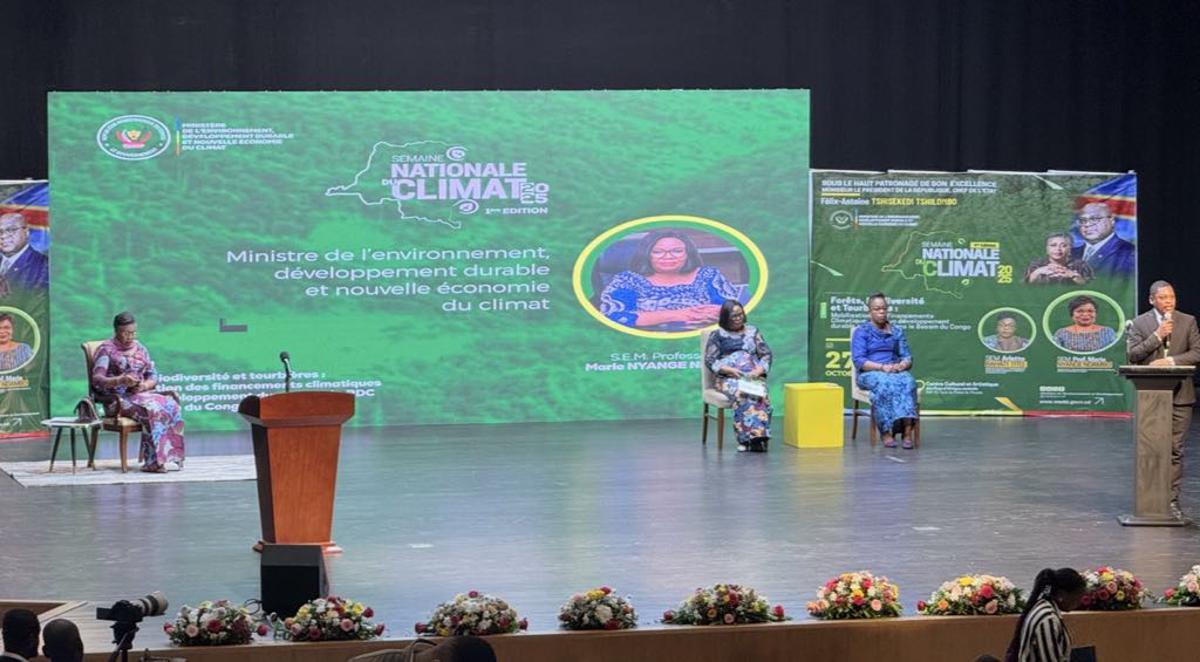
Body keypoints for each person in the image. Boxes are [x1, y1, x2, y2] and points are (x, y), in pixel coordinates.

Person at [1126, 280, 1200, 519]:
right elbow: (1133, 354)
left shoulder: (1187, 321)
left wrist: (1170, 361)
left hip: (1181, 395)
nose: (1169, 301)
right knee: (1151, 449)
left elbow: (1196, 352)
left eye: (1172, 297)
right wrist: (1157, 336)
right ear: (1151, 300)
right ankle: (1150, 502)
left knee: (1175, 449)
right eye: (1163, 298)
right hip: (1151, 397)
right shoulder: (1139, 323)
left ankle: (1171, 501)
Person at [91, 311, 185, 473]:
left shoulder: (140, 348)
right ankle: (153, 463)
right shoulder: (106, 350)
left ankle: (171, 456)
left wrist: (143, 385)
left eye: (134, 332)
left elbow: (153, 375)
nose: (131, 336)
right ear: (117, 331)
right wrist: (120, 380)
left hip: (140, 394)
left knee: (171, 405)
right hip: (117, 400)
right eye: (127, 333)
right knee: (152, 410)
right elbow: (97, 379)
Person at [600, 229, 740, 329]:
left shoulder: (709, 275)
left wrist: (718, 313)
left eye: (677, 251)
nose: (669, 256)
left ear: (688, 254)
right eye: (658, 252)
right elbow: (615, 316)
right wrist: (677, 315)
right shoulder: (627, 280)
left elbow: (734, 308)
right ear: (647, 254)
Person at [851, 293, 918, 449]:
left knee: (908, 381)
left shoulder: (896, 331)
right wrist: (881, 367)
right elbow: (859, 361)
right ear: (870, 311)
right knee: (884, 383)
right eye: (877, 309)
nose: (881, 312)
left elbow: (907, 356)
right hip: (869, 374)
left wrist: (902, 365)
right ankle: (886, 431)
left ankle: (907, 432)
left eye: (884, 308)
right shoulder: (862, 331)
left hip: (894, 371)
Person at [704, 299, 773, 452]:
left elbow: (766, 355)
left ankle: (757, 437)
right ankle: (746, 439)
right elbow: (710, 360)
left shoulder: (753, 331)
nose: (738, 318)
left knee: (759, 392)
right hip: (729, 378)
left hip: (751, 375)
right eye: (733, 316)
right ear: (725, 318)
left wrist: (758, 371)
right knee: (743, 392)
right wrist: (730, 370)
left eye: (740, 314)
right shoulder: (717, 335)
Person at [1004, 567, 1086, 662]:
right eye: (1077, 597)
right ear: (1061, 595)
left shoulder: (1044, 608)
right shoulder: (1047, 619)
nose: (1079, 602)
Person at [1070, 202, 1135, 277]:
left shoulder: (1130, 254)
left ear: (1112, 220)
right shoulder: (1070, 254)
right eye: (1083, 220)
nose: (1087, 224)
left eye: (1095, 219)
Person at [0, 212, 49, 291]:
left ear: (26, 232)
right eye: (0, 231)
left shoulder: (45, 266)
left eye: (11, 230)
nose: (3, 236)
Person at [1052, 295, 1117, 352]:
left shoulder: (1107, 332)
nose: (1085, 314)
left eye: (1090, 311)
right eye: (1080, 311)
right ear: (1072, 314)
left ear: (1096, 314)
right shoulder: (1061, 333)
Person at [1023, 232, 1092, 285]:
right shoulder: (1036, 265)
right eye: (1053, 245)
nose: (1058, 249)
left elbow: (1092, 287)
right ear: (1047, 249)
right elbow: (1024, 288)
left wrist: (1073, 276)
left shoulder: (1081, 265)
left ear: (1070, 249)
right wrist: (1037, 272)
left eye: (1063, 246)